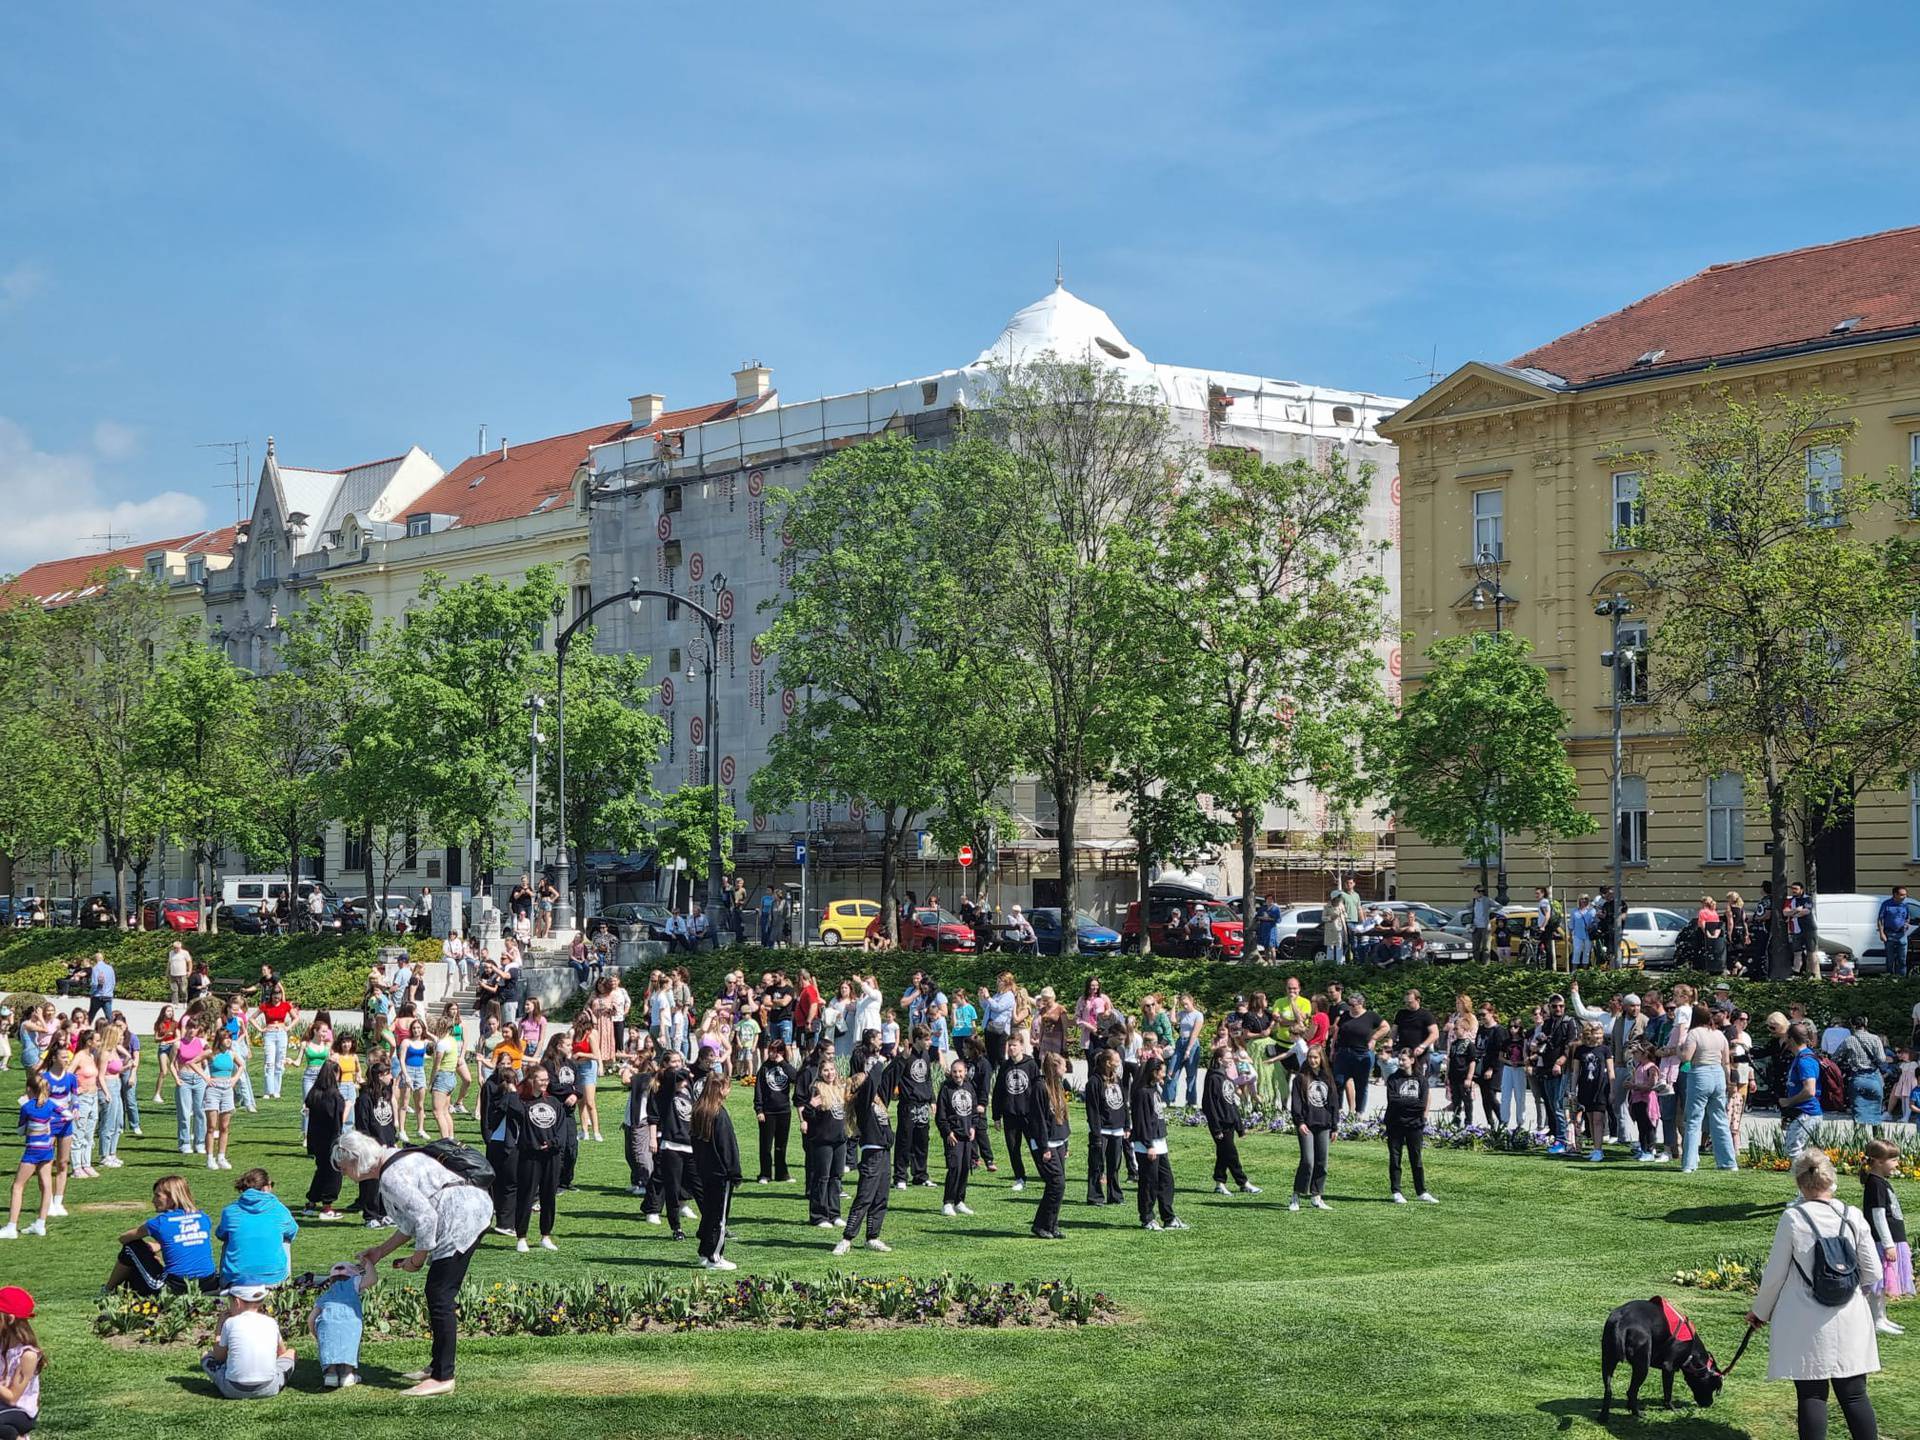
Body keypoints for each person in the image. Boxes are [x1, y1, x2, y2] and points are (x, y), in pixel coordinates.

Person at [338, 1132, 493, 1399]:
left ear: (355, 1161)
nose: (343, 1174)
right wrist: (379, 1252)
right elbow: (410, 1223)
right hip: (469, 1210)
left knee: (440, 1295)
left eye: (343, 1168)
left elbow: (425, 1219)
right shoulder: (397, 1159)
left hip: (461, 1220)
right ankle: (437, 1366)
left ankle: (443, 1376)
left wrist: (417, 1259)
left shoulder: (390, 1176)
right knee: (439, 1294)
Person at [1747, 1148, 1883, 1440]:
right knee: (1855, 1394)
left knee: (1811, 1394)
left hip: (1804, 1317)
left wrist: (1760, 1312)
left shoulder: (1793, 1218)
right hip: (1849, 1315)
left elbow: (1774, 1276)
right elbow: (1874, 1272)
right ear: (1831, 1179)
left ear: (1800, 1183)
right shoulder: (1852, 1215)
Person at [106, 1175, 218, 1294]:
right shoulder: (203, 1218)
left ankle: (107, 1289)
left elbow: (124, 1238)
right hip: (208, 1282)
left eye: (157, 1196)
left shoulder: (160, 1223)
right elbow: (186, 1238)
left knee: (131, 1248)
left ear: (172, 1198)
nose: (153, 1200)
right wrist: (159, 1245)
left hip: (176, 1286)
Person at [833, 1055, 895, 1255]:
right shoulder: (863, 1101)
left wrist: (900, 1058)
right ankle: (847, 1238)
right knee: (864, 1198)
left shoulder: (877, 1102)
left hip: (885, 1154)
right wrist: (877, 1059)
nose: (867, 1078)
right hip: (872, 1155)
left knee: (881, 1197)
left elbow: (887, 1076)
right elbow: (876, 1076)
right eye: (863, 1079)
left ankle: (872, 1237)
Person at [200, 1282, 293, 1400]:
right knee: (291, 1353)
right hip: (269, 1388)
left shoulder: (230, 1323)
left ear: (237, 1302)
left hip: (232, 1389)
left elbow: (219, 1358)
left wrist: (219, 1328)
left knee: (206, 1356)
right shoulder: (271, 1322)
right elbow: (282, 1353)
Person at [690, 1070, 743, 1270]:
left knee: (710, 1214)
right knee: (719, 1217)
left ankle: (705, 1251)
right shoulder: (719, 1114)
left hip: (705, 1171)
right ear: (721, 1089)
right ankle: (714, 1256)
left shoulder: (699, 1111)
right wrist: (735, 1173)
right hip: (721, 1174)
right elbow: (728, 1147)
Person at [1861, 1137, 1912, 1336]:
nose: (1897, 1163)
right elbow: (1878, 1215)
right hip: (1882, 1242)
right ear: (1879, 1161)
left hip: (1892, 1240)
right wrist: (1888, 1243)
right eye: (1893, 1160)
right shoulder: (1875, 1184)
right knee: (1878, 1283)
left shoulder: (1882, 1182)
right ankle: (1876, 1319)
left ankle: (1882, 1317)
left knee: (1883, 1283)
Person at [216, 1168, 296, 1288]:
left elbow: (220, 1234)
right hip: (273, 1280)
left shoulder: (230, 1211)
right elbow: (292, 1232)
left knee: (229, 1239)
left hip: (236, 1281)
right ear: (266, 1188)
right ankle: (283, 1282)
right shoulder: (279, 1209)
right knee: (285, 1239)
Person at [0, 1072, 56, 1240]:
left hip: (32, 1151)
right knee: (46, 1186)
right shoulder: (50, 1104)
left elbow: (19, 1131)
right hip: (47, 1149)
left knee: (17, 1186)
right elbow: (65, 1115)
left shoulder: (27, 1107)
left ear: (29, 1089)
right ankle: (40, 1224)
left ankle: (11, 1226)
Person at [1289, 1042, 1340, 1212]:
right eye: (1310, 1057)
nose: (1312, 1060)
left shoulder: (1327, 1078)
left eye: (1315, 1057)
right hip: (1306, 1126)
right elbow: (1296, 1103)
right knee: (1308, 1161)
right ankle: (1296, 1195)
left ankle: (1316, 1196)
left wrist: (1335, 1126)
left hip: (1324, 1125)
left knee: (1322, 1162)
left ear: (1321, 1059)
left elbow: (1334, 1103)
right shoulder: (1300, 1078)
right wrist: (1300, 1122)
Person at [311, 1258, 377, 1389]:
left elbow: (311, 1318)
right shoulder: (354, 1282)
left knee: (329, 1347)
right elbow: (372, 1279)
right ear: (353, 1275)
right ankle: (348, 1374)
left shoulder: (326, 1295)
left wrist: (315, 1333)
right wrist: (368, 1263)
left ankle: (331, 1375)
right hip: (351, 1322)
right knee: (350, 1346)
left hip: (327, 1322)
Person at [1383, 1050, 1438, 1204]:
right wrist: (1411, 1103)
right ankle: (1396, 1191)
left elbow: (1422, 1103)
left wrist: (1406, 1102)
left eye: (1404, 1060)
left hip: (1415, 1125)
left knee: (1416, 1159)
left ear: (1412, 1060)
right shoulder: (1393, 1079)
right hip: (1395, 1123)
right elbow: (1393, 1101)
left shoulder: (1421, 1079)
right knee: (1395, 1158)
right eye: (1399, 1059)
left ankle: (1421, 1191)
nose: (1400, 1062)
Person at [1201, 1047, 1258, 1196]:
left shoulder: (1226, 1077)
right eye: (1228, 1057)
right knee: (1231, 1154)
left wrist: (1239, 1126)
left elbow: (1231, 1102)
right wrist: (1216, 1128)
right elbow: (1209, 1104)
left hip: (1229, 1122)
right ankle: (1243, 1182)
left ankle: (1220, 1183)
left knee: (1224, 1154)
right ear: (1220, 1060)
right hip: (1220, 1124)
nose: (1231, 1060)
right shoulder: (1213, 1078)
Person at [1027, 1052, 1072, 1240]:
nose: (1066, 1068)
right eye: (1062, 1065)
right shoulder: (1040, 1087)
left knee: (1058, 1185)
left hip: (1058, 1141)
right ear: (1054, 1067)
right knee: (1056, 1183)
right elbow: (1038, 1120)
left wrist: (1066, 1142)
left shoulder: (1058, 1085)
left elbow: (1062, 1115)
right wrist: (1044, 1147)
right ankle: (1041, 1224)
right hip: (1045, 1144)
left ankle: (1052, 1225)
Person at [800, 1059, 846, 1228]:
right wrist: (810, 1106)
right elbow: (807, 1115)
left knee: (836, 1177)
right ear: (820, 1072)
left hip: (839, 1140)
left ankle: (834, 1213)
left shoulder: (840, 1088)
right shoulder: (816, 1088)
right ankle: (819, 1215)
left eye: (832, 1069)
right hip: (822, 1141)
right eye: (826, 1070)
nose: (830, 1073)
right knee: (822, 1178)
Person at [992, 1033, 1039, 1192]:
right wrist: (996, 1116)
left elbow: (1038, 1090)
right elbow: (998, 1091)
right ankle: (1020, 1177)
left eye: (1014, 1045)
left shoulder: (1031, 1065)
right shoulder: (1005, 1066)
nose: (1011, 1048)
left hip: (1028, 1115)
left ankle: (1045, 1174)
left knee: (1036, 1146)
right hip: (1010, 1115)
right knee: (1013, 1149)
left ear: (1021, 1046)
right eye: (1009, 1045)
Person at [353, 1062, 397, 1228]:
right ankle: (370, 1215)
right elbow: (362, 1126)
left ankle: (384, 1213)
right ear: (380, 1076)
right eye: (388, 1074)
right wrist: (372, 1144)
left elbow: (389, 1120)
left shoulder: (386, 1093)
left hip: (388, 1144)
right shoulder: (364, 1098)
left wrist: (392, 1139)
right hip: (371, 1147)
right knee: (371, 1182)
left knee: (385, 1181)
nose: (391, 1077)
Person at [1083, 1047, 1128, 1206]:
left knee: (1114, 1165)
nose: (1119, 1062)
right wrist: (1096, 1133)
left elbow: (1123, 1103)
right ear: (1108, 1063)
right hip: (1101, 1130)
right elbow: (1092, 1110)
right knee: (1097, 1165)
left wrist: (1126, 1125)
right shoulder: (1094, 1082)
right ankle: (1095, 1196)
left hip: (1116, 1129)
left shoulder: (1117, 1079)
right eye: (1116, 1060)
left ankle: (1115, 1195)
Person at [934, 1056, 978, 1218]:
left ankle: (960, 1201)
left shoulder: (969, 1086)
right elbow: (941, 1116)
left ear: (965, 1072)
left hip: (967, 1135)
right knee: (954, 1168)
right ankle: (947, 1202)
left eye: (960, 1071)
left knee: (966, 1168)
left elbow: (974, 1110)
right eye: (954, 1072)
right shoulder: (946, 1088)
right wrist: (947, 1132)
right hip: (953, 1136)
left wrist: (973, 1127)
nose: (957, 1075)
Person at [303, 1060, 347, 1219]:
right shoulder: (334, 1095)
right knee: (334, 1172)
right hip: (331, 1138)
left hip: (316, 1138)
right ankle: (327, 1206)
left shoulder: (314, 1093)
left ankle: (311, 1202)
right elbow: (336, 1117)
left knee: (321, 1170)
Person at [0, 1286, 41, 1437]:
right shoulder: (2, 1345)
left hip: (21, 1410)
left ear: (10, 1319)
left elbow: (12, 1397)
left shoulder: (27, 1355)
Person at [1781, 1023, 1826, 1158]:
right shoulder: (1801, 1057)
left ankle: (1802, 1178)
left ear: (1791, 1039)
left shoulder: (1805, 1060)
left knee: (1794, 1151)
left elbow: (1809, 1091)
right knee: (1802, 1153)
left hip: (1807, 1113)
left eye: (1786, 1038)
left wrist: (1789, 1102)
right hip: (1801, 1112)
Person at [753, 1039, 794, 1184]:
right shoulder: (764, 1068)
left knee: (781, 1145)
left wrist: (782, 1063)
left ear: (782, 1052)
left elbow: (795, 1077)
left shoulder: (786, 1066)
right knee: (766, 1145)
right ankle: (765, 1174)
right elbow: (758, 1090)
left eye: (776, 1051)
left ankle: (782, 1174)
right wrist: (759, 1110)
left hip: (784, 1111)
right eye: (771, 1051)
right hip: (768, 1112)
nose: (772, 1054)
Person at [1572, 1023, 1613, 1163]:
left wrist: (1612, 1090)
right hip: (1585, 1087)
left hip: (1600, 1087)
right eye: (1597, 1033)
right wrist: (1573, 1089)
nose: (1599, 1036)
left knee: (1598, 1119)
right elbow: (1576, 1071)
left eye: (1601, 1034)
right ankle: (1595, 1148)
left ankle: (1599, 1150)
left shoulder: (1605, 1050)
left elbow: (1611, 1071)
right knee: (1589, 1119)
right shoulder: (1580, 1050)